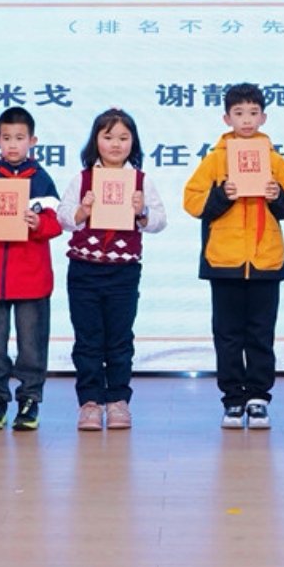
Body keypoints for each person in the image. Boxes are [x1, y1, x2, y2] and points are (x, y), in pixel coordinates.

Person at [183, 82, 284, 430]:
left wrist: (277, 196)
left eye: (253, 113)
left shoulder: (275, 161)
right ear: (226, 118)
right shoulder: (215, 160)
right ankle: (233, 399)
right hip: (224, 261)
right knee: (227, 335)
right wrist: (222, 194)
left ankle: (258, 398)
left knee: (261, 334)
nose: (247, 120)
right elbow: (192, 201)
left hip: (266, 261)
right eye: (239, 113)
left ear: (264, 117)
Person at [58, 108, 168, 431]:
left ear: (133, 142)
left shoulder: (140, 181)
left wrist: (142, 212)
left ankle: (118, 400)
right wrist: (82, 211)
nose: (116, 144)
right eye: (108, 137)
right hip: (84, 270)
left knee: (120, 339)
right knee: (87, 339)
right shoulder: (83, 179)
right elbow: (63, 217)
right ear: (96, 141)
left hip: (123, 272)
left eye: (123, 137)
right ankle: (90, 402)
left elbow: (160, 221)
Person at [0, 107, 62, 432]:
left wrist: (38, 224)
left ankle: (30, 400)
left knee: (32, 346)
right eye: (7, 138)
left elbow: (56, 222)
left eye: (20, 138)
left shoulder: (42, 179)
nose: (13, 145)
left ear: (33, 141)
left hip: (32, 279)